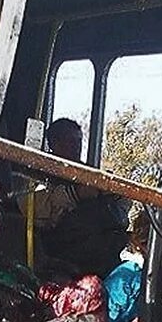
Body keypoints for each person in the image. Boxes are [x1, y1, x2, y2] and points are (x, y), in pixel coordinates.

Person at [34, 118, 129, 278]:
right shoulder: (41, 171)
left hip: (102, 254)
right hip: (59, 252)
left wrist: (113, 191)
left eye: (78, 141)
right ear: (55, 144)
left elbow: (124, 205)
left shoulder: (90, 173)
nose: (76, 147)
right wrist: (76, 194)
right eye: (71, 141)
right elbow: (38, 208)